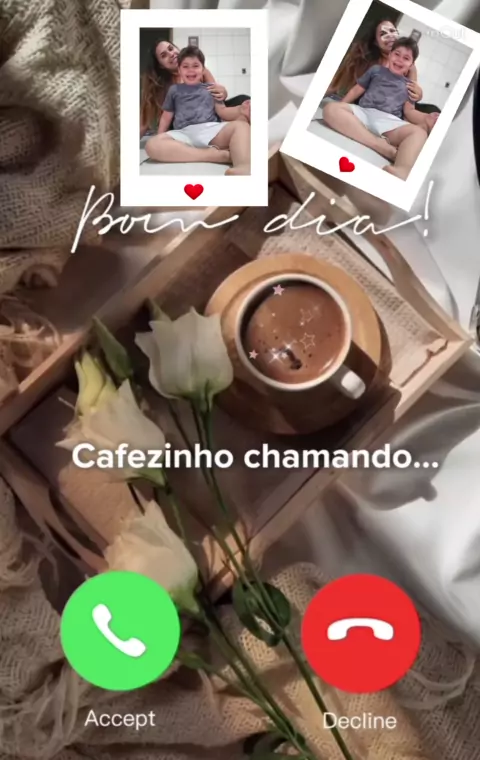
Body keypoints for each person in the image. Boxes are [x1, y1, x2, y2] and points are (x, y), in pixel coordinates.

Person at [323, 37, 434, 180]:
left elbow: (409, 111)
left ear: (411, 65)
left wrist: (423, 111)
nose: (399, 60)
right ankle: (381, 146)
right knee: (331, 109)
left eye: (406, 58)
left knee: (419, 133)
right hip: (363, 113)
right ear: (390, 54)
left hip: (389, 122)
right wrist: (341, 105)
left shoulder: (410, 86)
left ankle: (402, 170)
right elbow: (356, 90)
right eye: (397, 54)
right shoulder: (376, 70)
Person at [146, 46, 251, 175]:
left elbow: (222, 111)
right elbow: (166, 117)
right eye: (185, 66)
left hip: (210, 130)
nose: (190, 70)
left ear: (203, 69)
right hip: (183, 134)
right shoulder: (174, 90)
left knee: (241, 126)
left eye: (195, 66)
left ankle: (244, 166)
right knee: (152, 145)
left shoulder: (211, 88)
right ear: (179, 70)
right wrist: (160, 135)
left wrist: (240, 109)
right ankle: (216, 155)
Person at [325, 19, 423, 104]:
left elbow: (412, 95)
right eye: (383, 34)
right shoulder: (363, 60)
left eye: (392, 31)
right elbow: (336, 84)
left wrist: (419, 95)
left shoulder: (409, 67)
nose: (389, 36)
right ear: (376, 42)